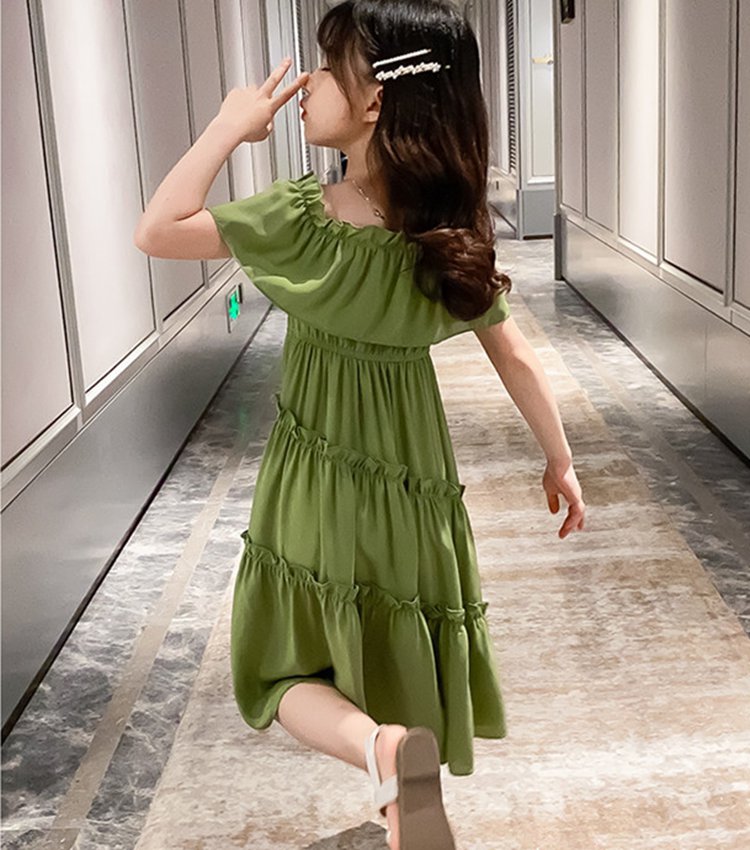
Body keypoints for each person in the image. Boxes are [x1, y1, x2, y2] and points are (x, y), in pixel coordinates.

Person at [134, 1, 586, 847]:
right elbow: (515, 355)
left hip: (315, 481)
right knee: (398, 645)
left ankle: (379, 752)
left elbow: (158, 230)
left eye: (325, 65)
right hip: (413, 488)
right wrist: (560, 460)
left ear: (374, 99)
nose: (305, 83)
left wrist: (229, 127)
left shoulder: (303, 220)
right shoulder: (445, 236)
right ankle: (399, 789)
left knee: (278, 668)